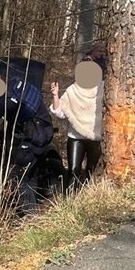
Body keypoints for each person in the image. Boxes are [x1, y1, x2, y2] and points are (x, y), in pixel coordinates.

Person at [0, 70, 56, 215]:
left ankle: (29, 215)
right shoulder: (16, 83)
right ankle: (32, 212)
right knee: (30, 176)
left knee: (19, 177)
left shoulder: (7, 100)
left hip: (33, 137)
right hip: (44, 131)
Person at [50, 59, 103, 193]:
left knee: (91, 169)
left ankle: (87, 197)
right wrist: (55, 95)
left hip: (95, 136)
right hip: (76, 137)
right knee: (73, 170)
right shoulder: (72, 90)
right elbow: (59, 112)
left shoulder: (102, 88)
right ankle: (69, 201)